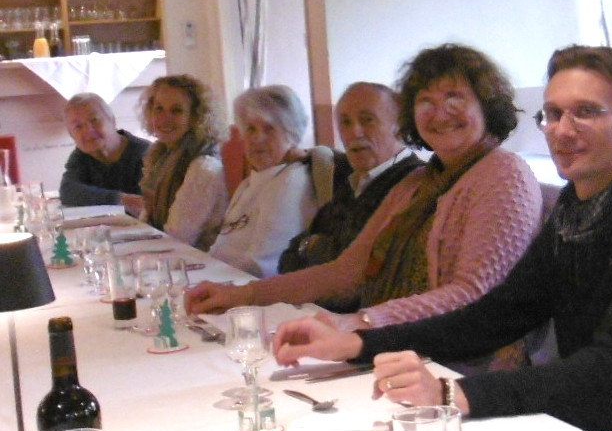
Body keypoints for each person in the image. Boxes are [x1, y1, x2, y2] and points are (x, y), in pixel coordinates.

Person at [271, 44, 612, 431]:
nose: (562, 130)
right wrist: (357, 343)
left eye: (585, 112)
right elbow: (492, 317)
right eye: (553, 114)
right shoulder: (579, 206)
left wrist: (454, 393)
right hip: (587, 422)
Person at [187, 45, 541, 329]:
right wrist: (243, 294)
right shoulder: (419, 182)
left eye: (455, 98)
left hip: (465, 365)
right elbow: (346, 273)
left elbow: (473, 295)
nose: (440, 112)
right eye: (425, 101)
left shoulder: (503, 173)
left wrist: (361, 322)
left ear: (486, 105)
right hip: (396, 345)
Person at [275, 82, 422, 276]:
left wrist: (312, 247)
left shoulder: (415, 183)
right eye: (345, 123)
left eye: (367, 120)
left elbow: (362, 273)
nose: (354, 132)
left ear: (400, 128)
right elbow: (287, 258)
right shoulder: (351, 181)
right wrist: (314, 246)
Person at [202, 84, 324, 278]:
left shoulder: (291, 181)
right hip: (223, 281)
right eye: (250, 129)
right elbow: (220, 247)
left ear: (291, 134)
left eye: (269, 129)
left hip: (253, 294)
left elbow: (264, 267)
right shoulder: (251, 181)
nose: (258, 138)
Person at [139, 73, 227, 249]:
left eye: (176, 110)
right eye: (159, 109)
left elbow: (177, 238)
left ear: (196, 117)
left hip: (200, 264)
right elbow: (146, 222)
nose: (165, 118)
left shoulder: (203, 167)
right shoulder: (160, 157)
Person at [58, 92, 149, 213]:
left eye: (94, 120)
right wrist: (118, 199)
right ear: (71, 135)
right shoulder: (82, 155)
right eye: (78, 127)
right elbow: (68, 191)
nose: (88, 131)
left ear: (112, 120)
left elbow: (145, 206)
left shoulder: (144, 153)